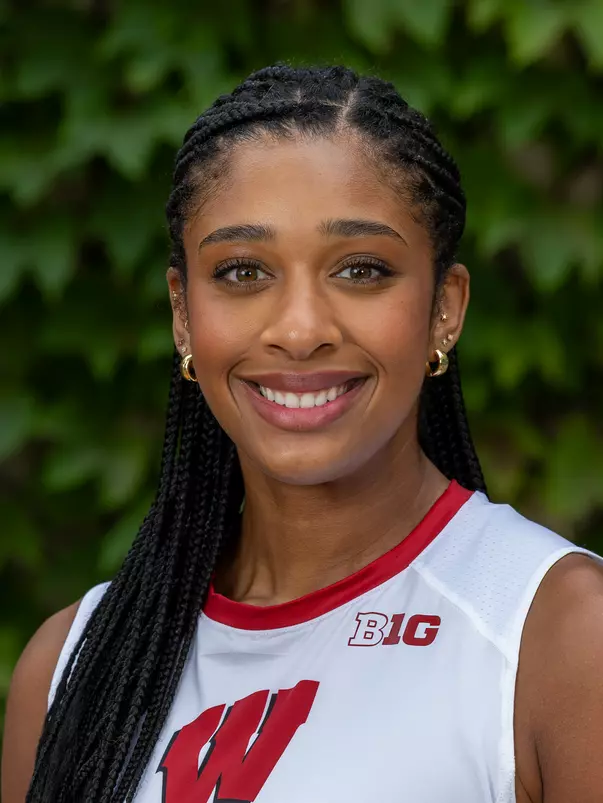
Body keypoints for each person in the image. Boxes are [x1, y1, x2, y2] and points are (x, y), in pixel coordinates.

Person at [2, 63, 603, 803]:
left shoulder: (557, 635)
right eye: (242, 271)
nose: (298, 330)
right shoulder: (74, 661)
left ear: (445, 307)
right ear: (182, 312)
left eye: (359, 268)